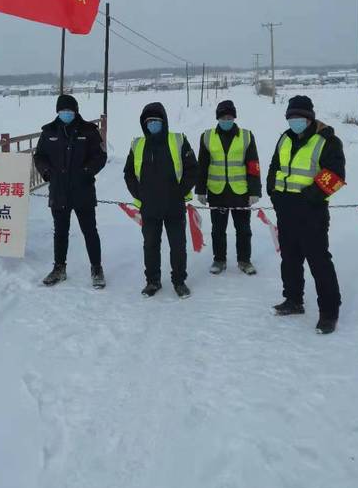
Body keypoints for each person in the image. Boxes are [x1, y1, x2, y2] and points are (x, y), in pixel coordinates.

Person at [267, 95, 345, 334]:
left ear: (310, 118)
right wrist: (273, 192)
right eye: (291, 117)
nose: (295, 121)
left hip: (312, 212)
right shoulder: (285, 138)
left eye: (300, 117)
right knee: (289, 259)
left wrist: (308, 198)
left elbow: (335, 176)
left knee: (319, 262)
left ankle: (329, 313)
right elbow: (274, 167)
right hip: (285, 210)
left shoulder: (327, 141)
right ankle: (293, 300)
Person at [123, 102, 198, 298]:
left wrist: (180, 191)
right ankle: (152, 281)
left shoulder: (178, 140)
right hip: (149, 207)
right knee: (150, 246)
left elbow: (193, 169)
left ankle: (179, 281)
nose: (153, 124)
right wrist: (138, 193)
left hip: (174, 205)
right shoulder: (138, 144)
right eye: (149, 122)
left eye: (156, 121)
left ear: (163, 121)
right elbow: (128, 173)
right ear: (144, 124)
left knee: (178, 246)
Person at [34, 94, 107, 288]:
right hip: (58, 190)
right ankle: (59, 268)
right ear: (58, 111)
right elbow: (39, 156)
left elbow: (100, 156)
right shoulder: (48, 132)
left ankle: (96, 268)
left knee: (90, 231)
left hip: (83, 190)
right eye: (63, 110)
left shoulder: (89, 131)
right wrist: (47, 172)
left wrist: (87, 171)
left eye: (70, 111)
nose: (66, 114)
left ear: (76, 111)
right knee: (60, 232)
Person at [195, 100, 261, 275]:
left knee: (244, 229)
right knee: (218, 229)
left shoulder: (246, 136)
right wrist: (200, 189)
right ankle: (219, 260)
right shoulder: (207, 136)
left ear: (234, 117)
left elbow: (253, 164)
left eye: (229, 117)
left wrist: (255, 191)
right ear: (218, 118)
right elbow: (202, 165)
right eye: (223, 117)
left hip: (240, 191)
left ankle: (244, 261)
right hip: (217, 191)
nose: (226, 119)